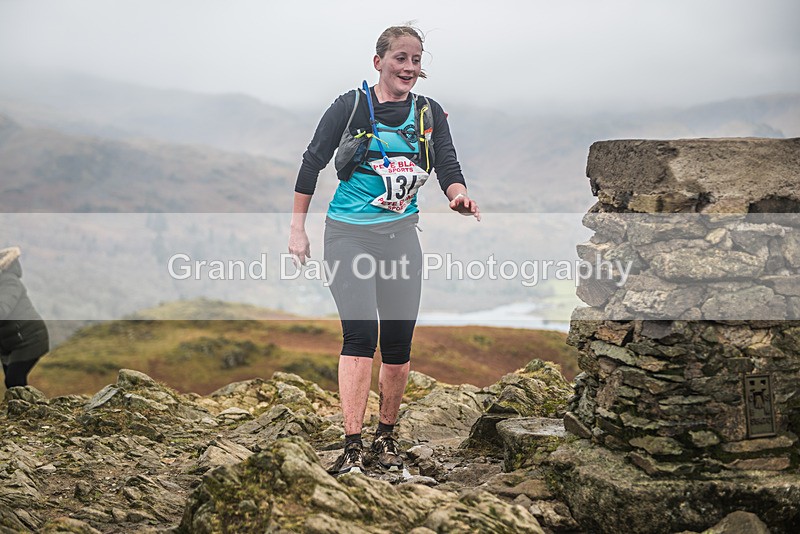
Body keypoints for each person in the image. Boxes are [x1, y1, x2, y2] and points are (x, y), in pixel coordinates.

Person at [289, 25, 479, 475]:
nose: (409, 67)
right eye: (400, 58)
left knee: (397, 345)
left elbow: (448, 163)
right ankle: (352, 445)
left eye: (416, 60)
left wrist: (458, 194)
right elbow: (311, 163)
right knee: (360, 337)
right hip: (348, 235)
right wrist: (297, 229)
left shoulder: (429, 113)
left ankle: (386, 438)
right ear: (379, 62)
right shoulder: (349, 106)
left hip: (401, 238)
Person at [0, 246, 49, 390]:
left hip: (30, 340)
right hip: (10, 343)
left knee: (14, 380)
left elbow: (2, 310)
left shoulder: (9, 282)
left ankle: (31, 410)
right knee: (12, 383)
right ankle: (23, 409)